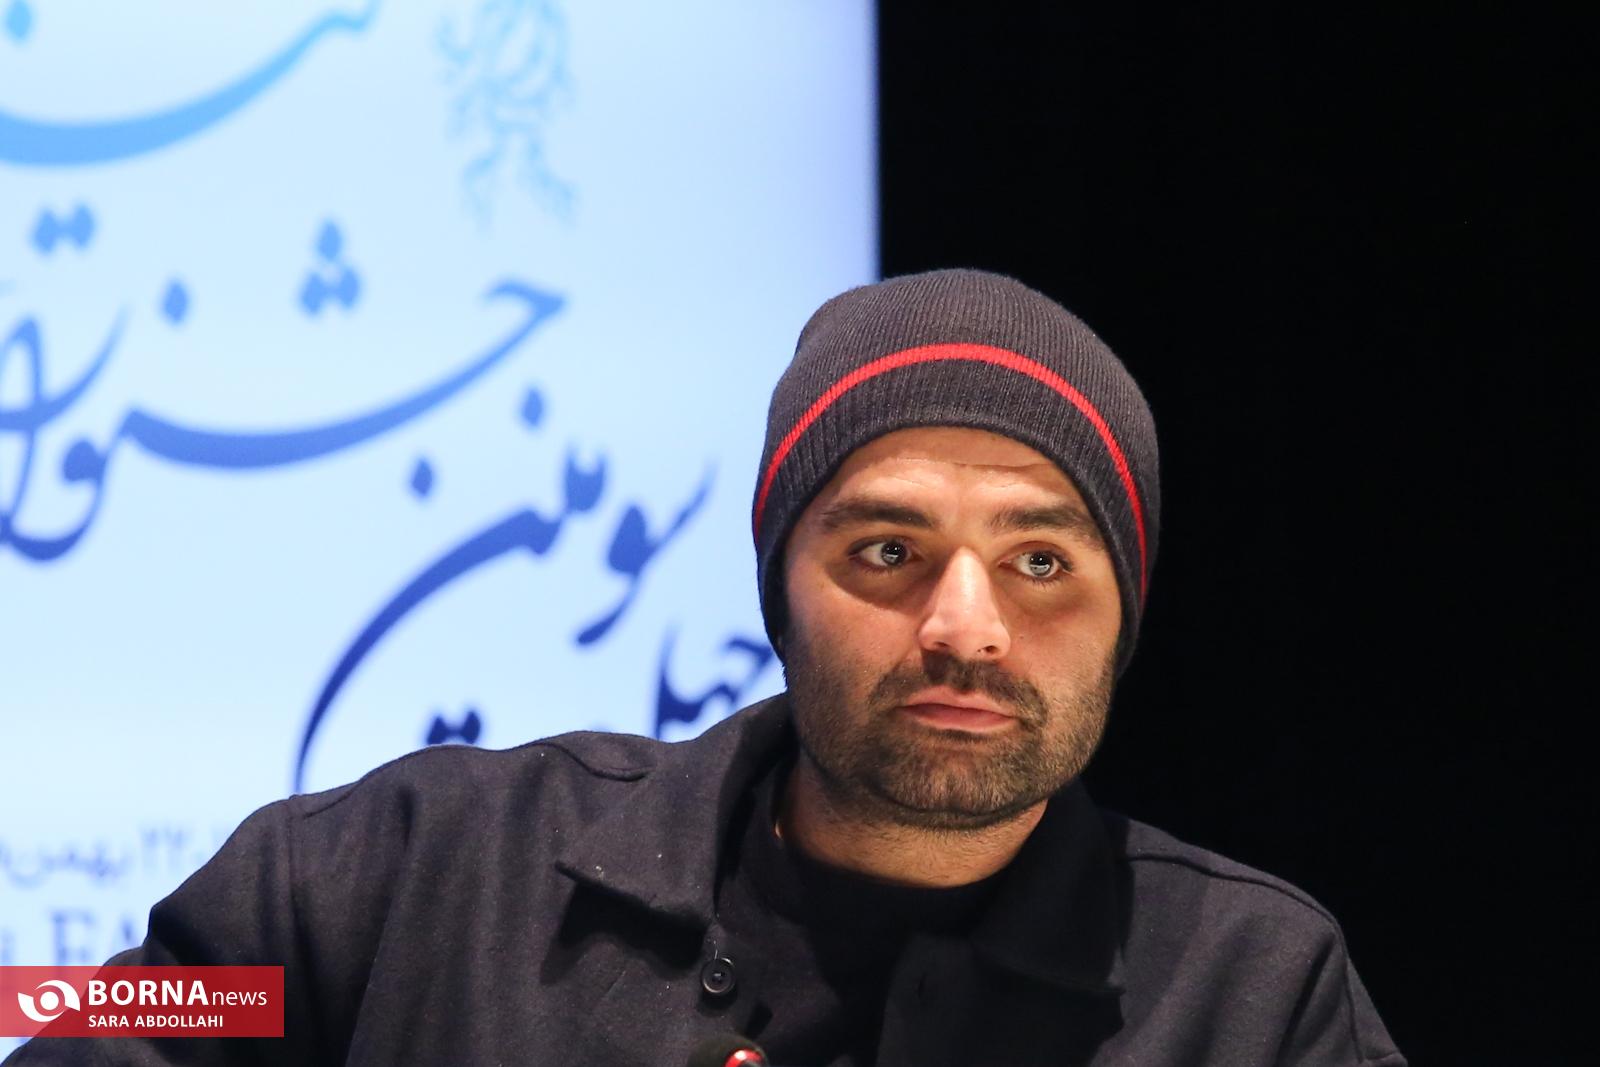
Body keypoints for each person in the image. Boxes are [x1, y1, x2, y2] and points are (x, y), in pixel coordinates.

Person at [6, 269, 1404, 1066]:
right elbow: (94, 1015)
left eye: (1041, 561)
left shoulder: (1256, 990)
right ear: (777, 583)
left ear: (1126, 612)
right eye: (886, 552)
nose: (964, 628)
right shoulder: (404, 866)